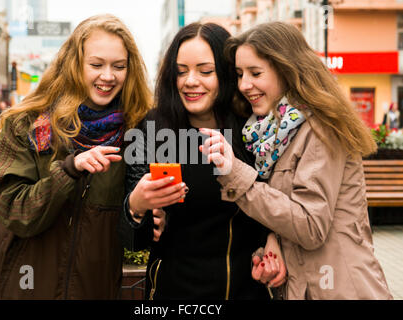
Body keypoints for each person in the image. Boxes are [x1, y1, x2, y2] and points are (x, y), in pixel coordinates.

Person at [201, 21, 393, 299]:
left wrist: (235, 174)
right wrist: (270, 247)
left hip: (340, 288)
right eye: (240, 74)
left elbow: (310, 226)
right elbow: (288, 212)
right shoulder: (271, 134)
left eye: (256, 73)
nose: (244, 85)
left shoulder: (319, 128)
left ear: (287, 69)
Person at [0, 14, 152, 299]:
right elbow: (13, 210)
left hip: (94, 289)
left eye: (119, 66)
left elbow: (133, 237)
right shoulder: (28, 123)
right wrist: (69, 170)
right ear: (74, 64)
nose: (108, 76)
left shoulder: (136, 132)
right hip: (27, 286)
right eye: (96, 64)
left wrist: (143, 212)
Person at [121, 22, 286, 300]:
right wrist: (137, 207)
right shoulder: (151, 129)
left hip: (246, 288)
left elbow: (275, 200)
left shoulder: (253, 127)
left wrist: (274, 238)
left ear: (225, 74)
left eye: (205, 71)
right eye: (181, 71)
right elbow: (132, 237)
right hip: (174, 290)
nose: (190, 81)